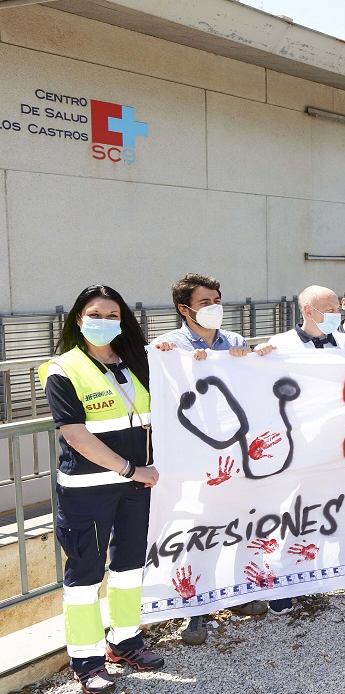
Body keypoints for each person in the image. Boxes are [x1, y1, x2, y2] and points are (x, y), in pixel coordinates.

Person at [38, 286, 163, 694]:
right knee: (85, 575)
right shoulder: (62, 367)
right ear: (78, 318)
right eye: (95, 314)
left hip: (135, 488)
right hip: (89, 490)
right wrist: (131, 469)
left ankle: (124, 641)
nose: (104, 322)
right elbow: (74, 434)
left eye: (113, 315)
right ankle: (86, 659)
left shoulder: (137, 361)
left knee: (129, 568)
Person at [151, 274, 267, 644]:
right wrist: (179, 362)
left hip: (235, 451)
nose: (214, 307)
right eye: (204, 302)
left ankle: (238, 593)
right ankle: (195, 610)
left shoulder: (234, 341)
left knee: (240, 524)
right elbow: (158, 388)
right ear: (184, 309)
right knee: (199, 531)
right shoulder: (167, 346)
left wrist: (250, 359)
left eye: (217, 299)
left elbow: (252, 384)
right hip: (195, 456)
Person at [259, 287, 345, 610]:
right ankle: (284, 582)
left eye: (338, 307)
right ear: (308, 310)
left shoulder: (344, 345)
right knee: (294, 513)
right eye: (330, 308)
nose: (337, 313)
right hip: (296, 447)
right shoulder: (280, 346)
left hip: (339, 444)